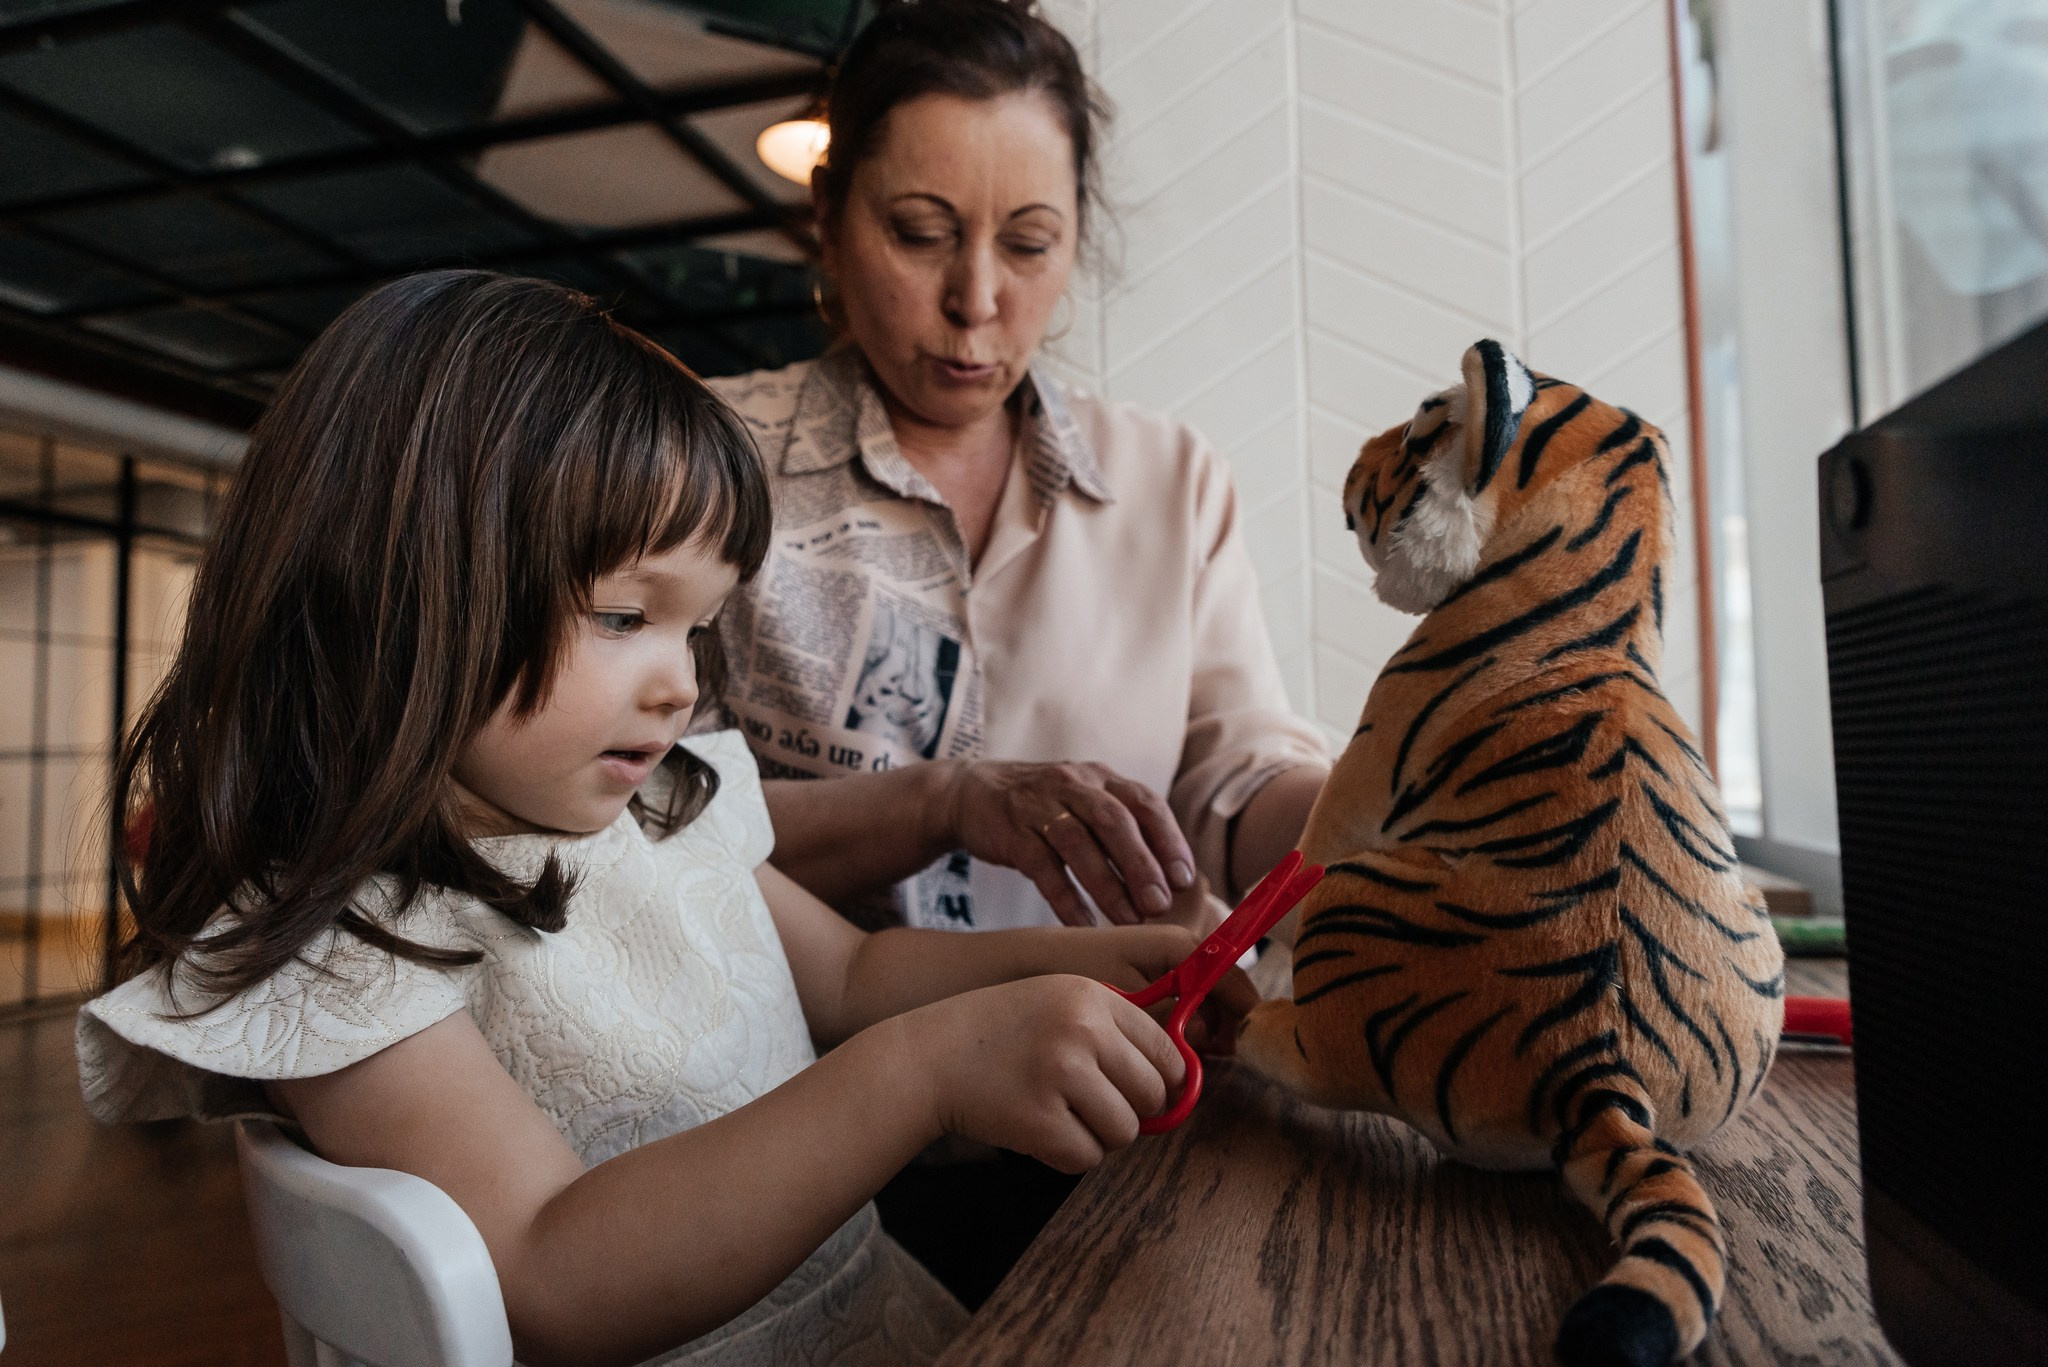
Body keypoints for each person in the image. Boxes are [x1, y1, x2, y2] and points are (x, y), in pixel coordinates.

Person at [74, 271, 1244, 1367]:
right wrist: (923, 1074)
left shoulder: (654, 805)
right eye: (627, 611)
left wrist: (1113, 964)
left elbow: (857, 972)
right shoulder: (341, 945)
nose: (679, 682)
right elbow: (546, 1263)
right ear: (401, 594)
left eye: (696, 627)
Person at [703, 0, 1331, 1300]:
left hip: (1120, 1110)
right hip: (784, 1148)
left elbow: (1235, 784)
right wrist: (934, 801)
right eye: (918, 233)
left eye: (1029, 243)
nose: (976, 300)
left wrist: (1393, 807)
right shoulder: (711, 467)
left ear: (1076, 238)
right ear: (829, 215)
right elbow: (636, 831)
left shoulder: (1168, 484)